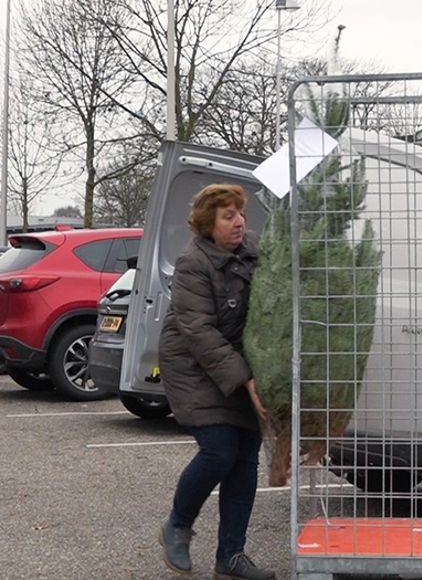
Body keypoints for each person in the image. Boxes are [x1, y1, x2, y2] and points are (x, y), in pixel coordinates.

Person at [158, 183, 274, 580]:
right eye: (228, 216)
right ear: (208, 224)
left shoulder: (254, 250)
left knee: (244, 460)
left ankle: (231, 556)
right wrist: (246, 381)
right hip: (194, 366)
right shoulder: (193, 264)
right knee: (219, 451)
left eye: (240, 213)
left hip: (240, 364)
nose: (239, 221)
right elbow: (199, 333)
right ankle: (177, 525)